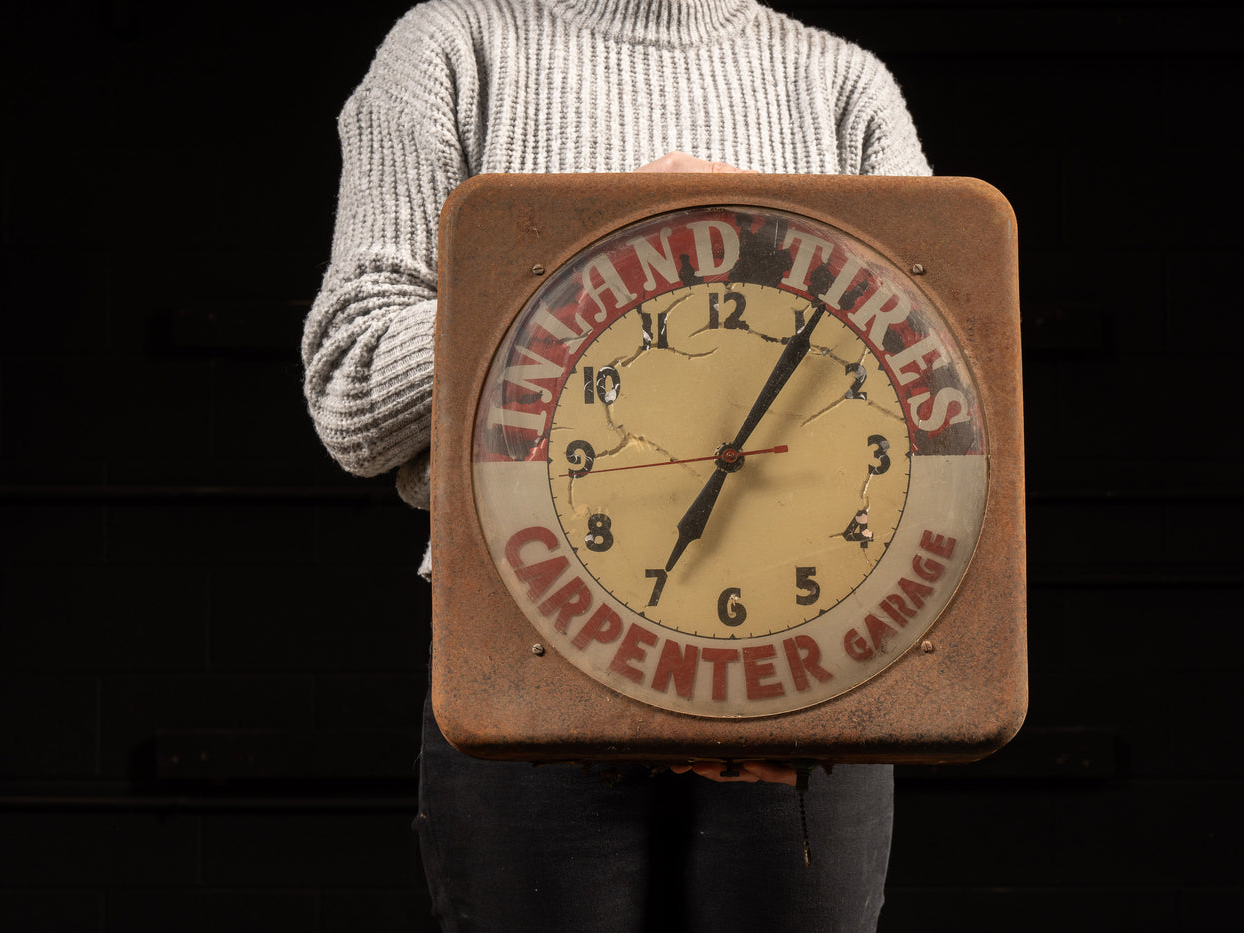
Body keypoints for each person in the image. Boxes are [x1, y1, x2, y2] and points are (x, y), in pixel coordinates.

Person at [302, 1, 933, 929]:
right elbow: (352, 397)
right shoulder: (453, 52)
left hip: (810, 676)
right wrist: (602, 257)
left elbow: (935, 398)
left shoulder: (841, 85)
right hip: (526, 666)